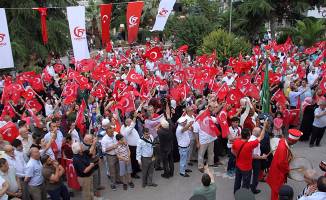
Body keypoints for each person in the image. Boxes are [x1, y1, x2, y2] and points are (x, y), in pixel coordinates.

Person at [266, 129, 303, 200]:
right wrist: (289, 170)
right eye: (296, 142)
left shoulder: (283, 141)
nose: (296, 143)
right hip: (278, 174)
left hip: (276, 171)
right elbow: (281, 163)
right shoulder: (283, 148)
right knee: (276, 192)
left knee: (275, 190)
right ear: (293, 141)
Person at [232, 120, 267, 194]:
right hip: (246, 168)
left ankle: (236, 193)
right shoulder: (250, 145)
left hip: (238, 165)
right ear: (248, 136)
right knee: (245, 184)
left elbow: (232, 151)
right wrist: (264, 126)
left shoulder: (236, 141)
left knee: (237, 181)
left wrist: (239, 156)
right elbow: (261, 137)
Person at [120, 113, 141, 179]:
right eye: (130, 122)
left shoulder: (128, 128)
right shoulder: (127, 130)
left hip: (136, 146)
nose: (132, 122)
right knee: (133, 160)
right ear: (127, 123)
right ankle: (133, 173)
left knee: (136, 158)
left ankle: (137, 168)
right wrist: (134, 117)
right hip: (132, 147)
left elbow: (132, 125)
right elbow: (132, 125)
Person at [249, 127, 268, 194]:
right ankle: (253, 189)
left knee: (252, 174)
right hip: (255, 160)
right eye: (260, 132)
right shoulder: (253, 141)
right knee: (255, 175)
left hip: (254, 159)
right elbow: (253, 155)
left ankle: (251, 186)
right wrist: (262, 157)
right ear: (256, 132)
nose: (261, 133)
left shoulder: (253, 137)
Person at [100, 123, 119, 190]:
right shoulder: (104, 139)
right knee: (112, 171)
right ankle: (113, 184)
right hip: (110, 156)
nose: (112, 133)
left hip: (117, 154)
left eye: (112, 131)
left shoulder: (115, 134)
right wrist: (112, 147)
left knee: (117, 168)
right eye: (111, 132)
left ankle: (117, 180)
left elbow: (119, 139)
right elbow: (103, 150)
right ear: (107, 132)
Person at [157, 105, 174, 179]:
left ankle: (166, 174)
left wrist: (160, 124)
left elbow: (156, 129)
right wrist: (167, 114)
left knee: (165, 162)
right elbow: (169, 119)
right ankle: (171, 172)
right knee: (171, 160)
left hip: (164, 149)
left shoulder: (160, 131)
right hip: (170, 147)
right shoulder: (170, 127)